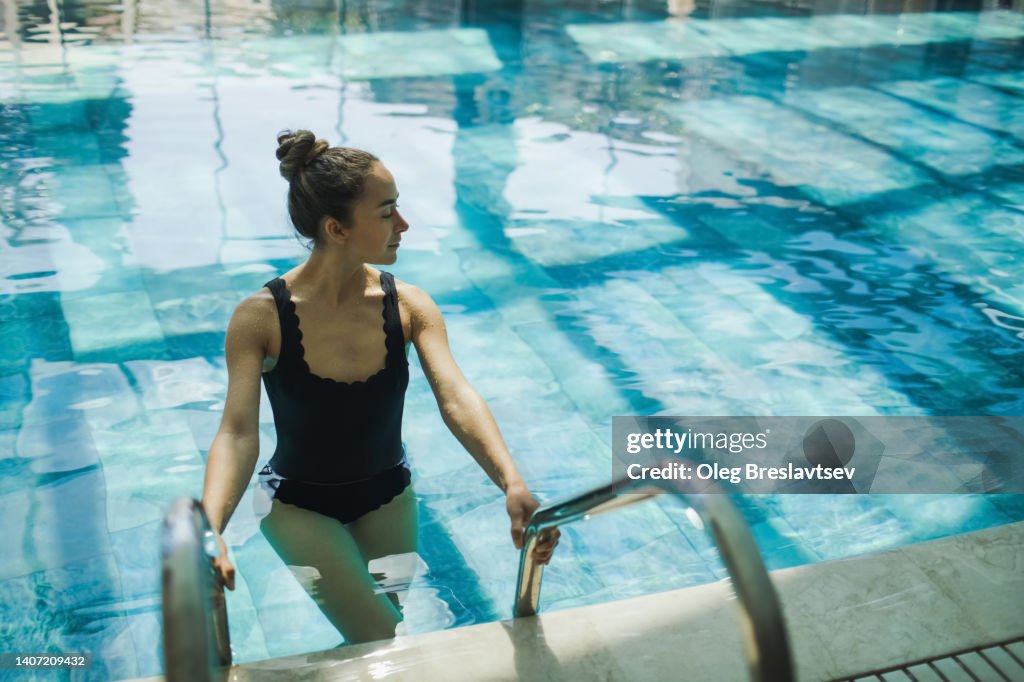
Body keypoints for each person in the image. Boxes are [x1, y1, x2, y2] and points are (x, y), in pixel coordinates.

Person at [201, 130, 559, 644]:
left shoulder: (409, 305)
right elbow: (237, 433)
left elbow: (455, 395)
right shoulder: (260, 318)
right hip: (297, 505)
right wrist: (210, 528)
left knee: (384, 632)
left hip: (390, 498)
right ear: (337, 228)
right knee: (374, 629)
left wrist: (511, 482)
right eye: (387, 211)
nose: (404, 224)